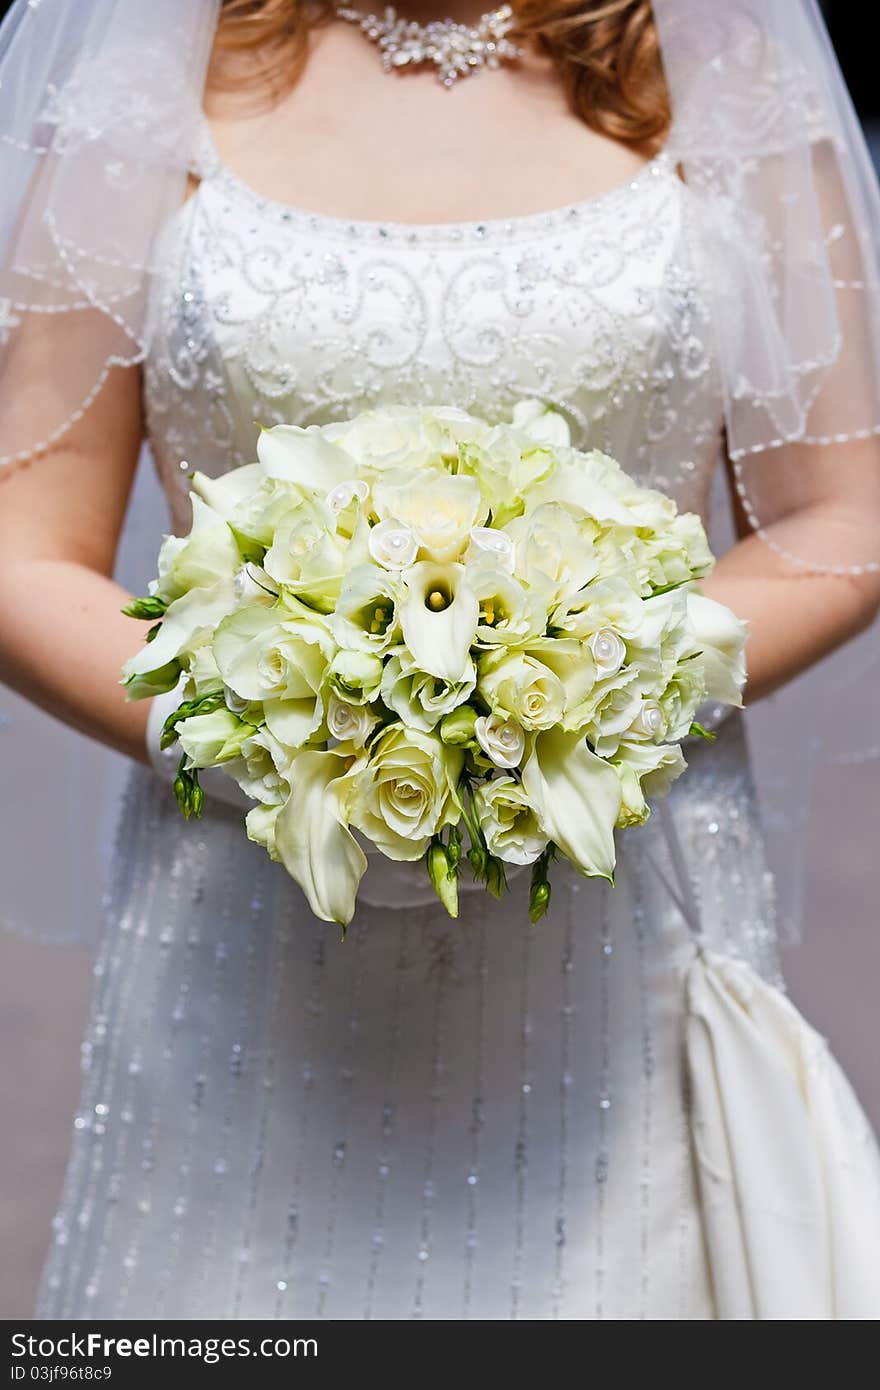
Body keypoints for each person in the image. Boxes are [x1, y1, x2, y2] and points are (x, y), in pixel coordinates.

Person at [1, 0, 879, 1319]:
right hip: (250, 940)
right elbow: (22, 545)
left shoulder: (722, 56)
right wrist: (268, 734)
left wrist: (601, 688)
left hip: (618, 940)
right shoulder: (150, 64)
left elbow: (842, 510)